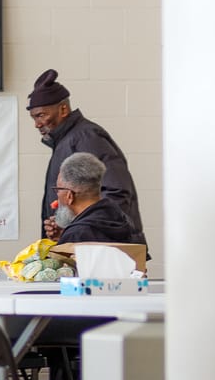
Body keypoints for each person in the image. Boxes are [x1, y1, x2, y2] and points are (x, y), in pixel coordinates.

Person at [28, 69, 143, 241]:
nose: (37, 124)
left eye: (41, 115)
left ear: (63, 109)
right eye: (33, 118)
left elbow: (116, 191)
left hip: (105, 249)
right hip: (88, 244)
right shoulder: (67, 140)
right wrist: (64, 227)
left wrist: (83, 231)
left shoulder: (86, 137)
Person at [51, 151, 146, 248]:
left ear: (69, 196)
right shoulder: (120, 220)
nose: (57, 196)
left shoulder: (77, 234)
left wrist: (66, 240)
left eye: (58, 190)